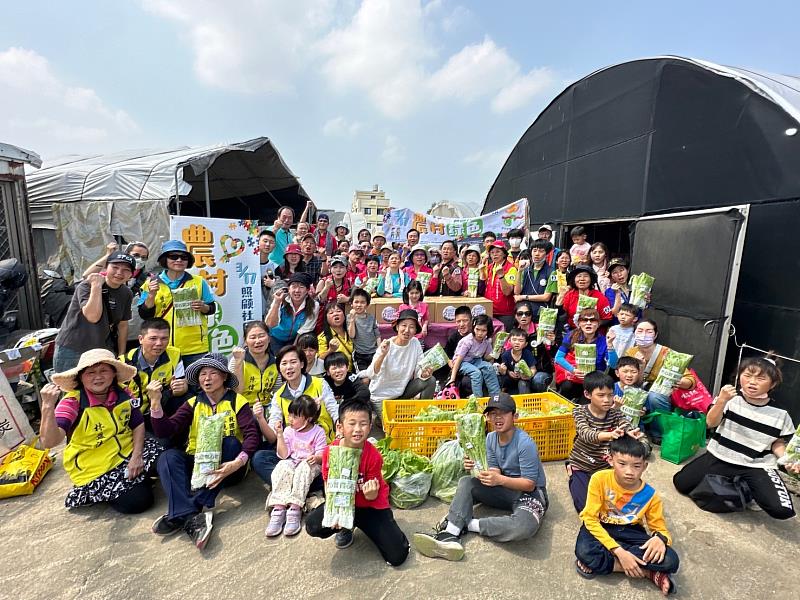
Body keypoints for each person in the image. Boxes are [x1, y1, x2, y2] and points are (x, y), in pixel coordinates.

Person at [413, 393, 548, 561]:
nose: (497, 417)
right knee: (467, 482)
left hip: (530, 494)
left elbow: (529, 484)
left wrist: (499, 480)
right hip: (505, 488)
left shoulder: (524, 443)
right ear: (488, 418)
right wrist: (475, 467)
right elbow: (494, 471)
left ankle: (469, 524)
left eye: (503, 413)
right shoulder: (490, 438)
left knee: (523, 527)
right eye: (493, 413)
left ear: (515, 417)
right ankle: (450, 534)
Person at [149, 353, 260, 549]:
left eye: (213, 373)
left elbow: (252, 435)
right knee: (167, 457)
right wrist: (155, 404)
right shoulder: (193, 403)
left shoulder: (237, 401)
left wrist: (238, 462)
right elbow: (165, 431)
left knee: (231, 443)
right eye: (202, 374)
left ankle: (182, 511)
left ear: (224, 377)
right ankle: (189, 514)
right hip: (199, 463)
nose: (207, 379)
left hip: (229, 465)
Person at [673, 355, 797, 519]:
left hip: (756, 464)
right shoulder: (730, 399)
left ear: (772, 384)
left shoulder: (781, 413)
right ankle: (738, 485)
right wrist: (722, 401)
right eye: (747, 375)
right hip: (720, 456)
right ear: (739, 377)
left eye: (761, 378)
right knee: (681, 483)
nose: (752, 382)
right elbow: (710, 423)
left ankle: (748, 490)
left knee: (782, 510)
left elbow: (777, 443)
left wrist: (786, 460)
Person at [38, 349, 163, 513]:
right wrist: (47, 406)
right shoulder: (72, 402)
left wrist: (136, 456)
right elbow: (49, 442)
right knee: (139, 501)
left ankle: (136, 478)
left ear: (114, 373)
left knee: (169, 459)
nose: (98, 377)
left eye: (104, 370)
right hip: (96, 468)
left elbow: (137, 423)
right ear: (81, 377)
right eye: (90, 372)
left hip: (129, 451)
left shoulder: (123, 392)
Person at [305, 398, 410, 564]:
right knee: (312, 525)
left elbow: (371, 496)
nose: (357, 429)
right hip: (343, 503)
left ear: (370, 426)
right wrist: (336, 512)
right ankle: (347, 526)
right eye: (352, 423)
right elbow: (328, 484)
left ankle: (378, 526)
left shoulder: (373, 456)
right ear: (340, 426)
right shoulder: (330, 453)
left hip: (370, 506)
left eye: (363, 424)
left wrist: (371, 493)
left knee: (397, 556)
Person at [575, 436, 680, 595]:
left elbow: (660, 528)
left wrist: (661, 539)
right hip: (601, 524)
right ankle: (647, 572)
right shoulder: (599, 479)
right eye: (622, 464)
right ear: (610, 460)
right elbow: (589, 518)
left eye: (636, 466)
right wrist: (619, 552)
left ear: (644, 466)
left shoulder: (651, 495)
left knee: (671, 560)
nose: (629, 472)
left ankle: (606, 562)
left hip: (630, 530)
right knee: (585, 551)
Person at [567, 371, 642, 513]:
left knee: (617, 504)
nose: (607, 400)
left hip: (605, 467)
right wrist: (610, 435)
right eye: (601, 395)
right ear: (587, 394)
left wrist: (630, 432)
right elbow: (586, 434)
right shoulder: (580, 411)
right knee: (585, 507)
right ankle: (571, 471)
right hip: (582, 465)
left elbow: (624, 423)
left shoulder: (615, 413)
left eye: (610, 395)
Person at [138, 241, 216, 367]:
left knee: (194, 379)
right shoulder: (151, 283)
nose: (179, 260)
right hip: (161, 346)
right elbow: (144, 314)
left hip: (194, 347)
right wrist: (151, 295)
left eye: (183, 257)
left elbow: (212, 308)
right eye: (173, 257)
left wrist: (203, 307)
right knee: (166, 379)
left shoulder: (199, 282)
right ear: (165, 260)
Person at [54, 252, 136, 372]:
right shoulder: (86, 286)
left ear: (131, 274)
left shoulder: (126, 293)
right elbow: (92, 316)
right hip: (72, 348)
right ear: (106, 268)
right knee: (68, 382)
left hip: (101, 349)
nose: (119, 273)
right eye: (115, 267)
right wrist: (96, 286)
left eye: (126, 270)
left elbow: (122, 325)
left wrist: (121, 354)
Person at [265, 395, 328, 537]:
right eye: (289, 415)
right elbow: (283, 455)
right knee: (282, 466)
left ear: (308, 419)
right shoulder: (288, 431)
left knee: (304, 468)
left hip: (310, 465)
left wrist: (316, 457)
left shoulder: (318, 431)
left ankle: (295, 507)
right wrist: (280, 435)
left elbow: (322, 454)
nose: (290, 419)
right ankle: (279, 507)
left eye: (295, 416)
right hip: (293, 462)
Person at [624, 319, 696, 441]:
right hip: (640, 390)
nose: (644, 335)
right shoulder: (631, 352)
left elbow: (691, 380)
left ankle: (659, 433)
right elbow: (629, 380)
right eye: (640, 331)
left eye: (649, 331)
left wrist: (679, 382)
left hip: (661, 396)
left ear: (655, 334)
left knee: (654, 396)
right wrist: (641, 366)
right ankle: (632, 429)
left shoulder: (667, 353)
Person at [362, 309, 436, 423]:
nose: (407, 330)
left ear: (415, 330)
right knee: (394, 427)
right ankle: (379, 418)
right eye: (404, 325)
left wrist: (424, 373)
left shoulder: (415, 343)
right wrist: (382, 355)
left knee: (430, 380)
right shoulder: (387, 345)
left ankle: (424, 417)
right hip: (381, 398)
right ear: (397, 327)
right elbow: (371, 374)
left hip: (401, 393)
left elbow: (419, 369)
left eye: (411, 327)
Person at [267, 345, 339, 441]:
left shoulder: (320, 384)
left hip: (324, 444)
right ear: (279, 368)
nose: (289, 367)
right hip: (294, 447)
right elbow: (274, 424)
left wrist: (340, 432)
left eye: (293, 362)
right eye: (284, 363)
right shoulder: (278, 396)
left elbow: (334, 411)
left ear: (301, 364)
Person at [122, 318, 187, 420]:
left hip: (161, 408)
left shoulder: (175, 354)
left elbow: (182, 385)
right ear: (141, 339)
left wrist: (181, 388)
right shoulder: (124, 362)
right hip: (133, 414)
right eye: (153, 338)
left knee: (187, 398)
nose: (159, 343)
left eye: (164, 338)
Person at [555, 308, 615, 402]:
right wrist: (573, 370)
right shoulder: (571, 335)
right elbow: (558, 358)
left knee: (586, 403)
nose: (588, 323)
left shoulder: (604, 341)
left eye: (592, 320)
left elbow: (613, 365)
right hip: (573, 377)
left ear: (598, 324)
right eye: (584, 320)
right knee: (566, 386)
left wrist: (610, 345)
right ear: (579, 323)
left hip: (593, 381)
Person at [266, 272, 319, 355]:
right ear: (289, 289)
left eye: (301, 287)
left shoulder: (314, 305)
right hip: (274, 337)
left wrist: (293, 348)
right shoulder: (280, 299)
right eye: (293, 286)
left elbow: (304, 330)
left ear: (307, 290)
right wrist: (277, 302)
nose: (297, 290)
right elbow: (270, 324)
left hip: (294, 339)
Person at [448, 314, 501, 397]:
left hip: (475, 360)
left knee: (489, 367)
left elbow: (486, 358)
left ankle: (496, 397)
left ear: (488, 331)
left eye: (483, 330)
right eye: (477, 329)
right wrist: (452, 378)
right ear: (473, 328)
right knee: (476, 373)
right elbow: (458, 360)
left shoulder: (486, 341)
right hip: (462, 362)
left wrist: (495, 354)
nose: (480, 333)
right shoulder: (468, 341)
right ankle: (478, 398)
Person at [229, 321, 279, 407]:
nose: (258, 341)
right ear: (245, 341)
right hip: (242, 408)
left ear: (269, 338)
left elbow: (277, 392)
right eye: (253, 337)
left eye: (261, 336)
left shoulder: (276, 362)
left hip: (267, 407)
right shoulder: (236, 359)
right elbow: (236, 392)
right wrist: (239, 362)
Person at [83, 241, 151, 296]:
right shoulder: (114, 272)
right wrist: (108, 255)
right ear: (126, 254)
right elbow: (86, 276)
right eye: (136, 255)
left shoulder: (147, 278)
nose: (140, 259)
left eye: (144, 257)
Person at [556, 265, 613, 330]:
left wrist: (592, 324)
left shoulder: (599, 297)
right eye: (579, 276)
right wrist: (560, 298)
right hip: (573, 331)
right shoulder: (569, 295)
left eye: (585, 276)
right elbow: (562, 317)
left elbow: (607, 318)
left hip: (594, 332)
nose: (582, 279)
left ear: (591, 279)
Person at [498, 328, 549, 394]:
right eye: (514, 340)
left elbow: (533, 369)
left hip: (524, 380)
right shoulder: (505, 355)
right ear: (509, 341)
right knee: (501, 379)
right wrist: (508, 372)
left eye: (521, 340)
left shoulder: (527, 353)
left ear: (525, 344)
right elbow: (504, 369)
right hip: (511, 381)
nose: (517, 342)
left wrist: (528, 375)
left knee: (522, 383)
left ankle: (525, 399)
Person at [515, 239, 557, 318]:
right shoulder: (525, 270)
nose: (537, 254)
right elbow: (517, 292)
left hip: (541, 313)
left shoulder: (552, 272)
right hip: (524, 312)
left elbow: (546, 297)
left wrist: (524, 297)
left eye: (541, 251)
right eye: (534, 250)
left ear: (547, 254)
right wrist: (519, 271)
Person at [484, 240, 518, 331]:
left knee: (504, 338)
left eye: (498, 252)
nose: (494, 254)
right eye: (492, 252)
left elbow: (507, 292)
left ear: (504, 254)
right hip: (490, 311)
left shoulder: (511, 268)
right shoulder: (490, 267)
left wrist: (501, 276)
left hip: (505, 314)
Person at [347, 288, 380, 372]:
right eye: (356, 302)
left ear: (367, 304)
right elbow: (352, 335)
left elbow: (377, 335)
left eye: (362, 302)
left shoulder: (371, 318)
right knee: (363, 377)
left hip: (374, 352)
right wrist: (352, 320)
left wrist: (379, 349)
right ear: (351, 304)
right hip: (359, 354)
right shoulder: (349, 317)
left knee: (374, 374)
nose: (359, 305)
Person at [318, 302, 354, 371]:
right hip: (336, 373)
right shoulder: (323, 337)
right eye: (331, 313)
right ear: (326, 318)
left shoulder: (352, 331)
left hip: (354, 372)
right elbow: (319, 361)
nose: (335, 314)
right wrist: (330, 350)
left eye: (339, 311)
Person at [258, 230, 279, 312]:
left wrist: (273, 285)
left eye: (271, 242)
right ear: (258, 242)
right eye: (265, 241)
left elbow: (280, 289)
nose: (267, 244)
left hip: (267, 311)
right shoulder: (248, 266)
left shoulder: (275, 267)